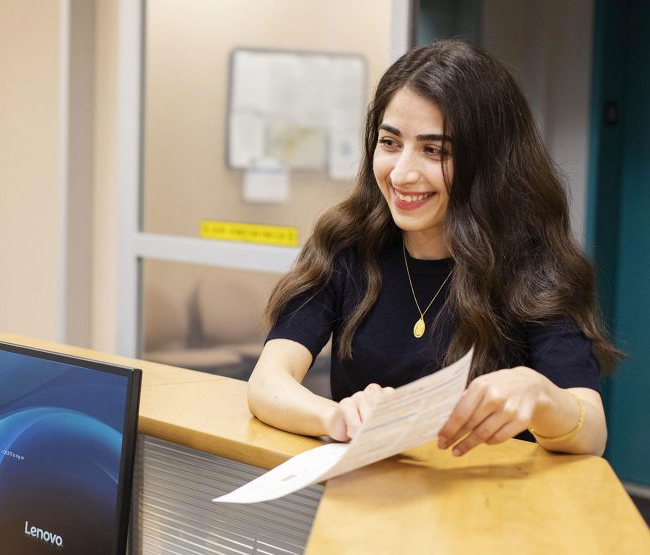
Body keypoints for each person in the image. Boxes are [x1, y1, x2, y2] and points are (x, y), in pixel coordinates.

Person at [247, 39, 620, 457]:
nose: (402, 173)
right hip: (370, 500)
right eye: (390, 143)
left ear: (489, 162)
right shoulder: (347, 245)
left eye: (434, 150)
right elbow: (267, 383)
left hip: (494, 507)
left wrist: (541, 395)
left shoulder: (535, 268)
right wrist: (338, 417)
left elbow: (592, 434)